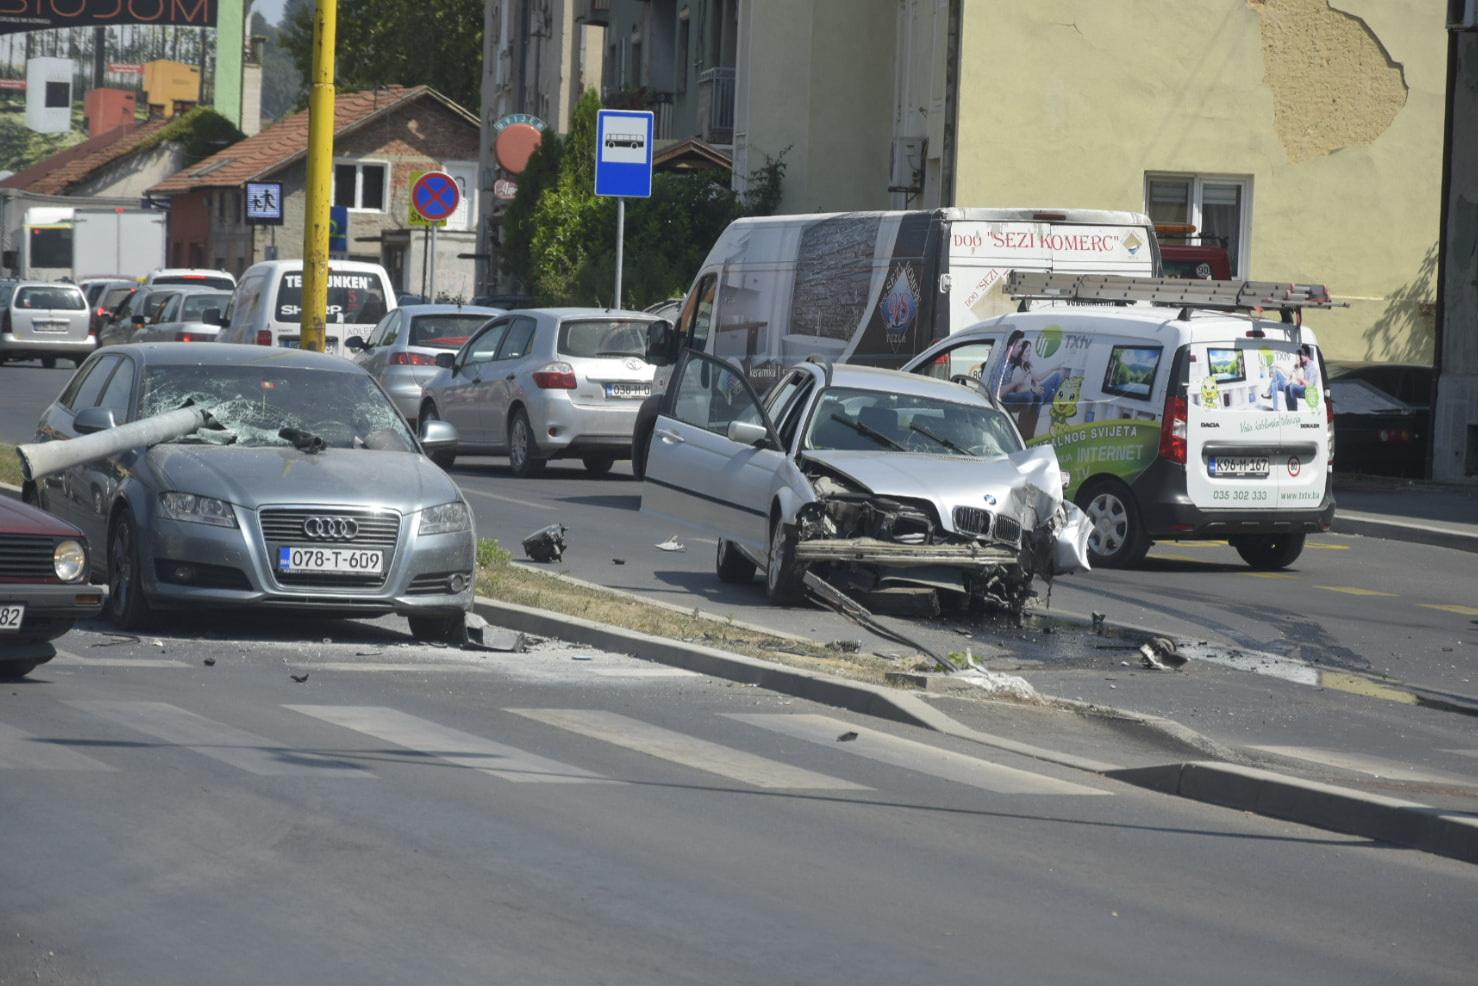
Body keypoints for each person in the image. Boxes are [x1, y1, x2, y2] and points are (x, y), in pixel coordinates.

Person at [1267, 345, 1318, 409]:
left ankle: (1292, 411)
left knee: (1290, 386)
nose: (1301, 357)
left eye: (1301, 355)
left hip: (1303, 389)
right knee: (1275, 385)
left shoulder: (1309, 369)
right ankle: (1274, 406)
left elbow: (1309, 385)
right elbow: (1289, 373)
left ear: (1306, 355)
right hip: (1294, 383)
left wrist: (1293, 380)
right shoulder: (1299, 366)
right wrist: (1280, 367)